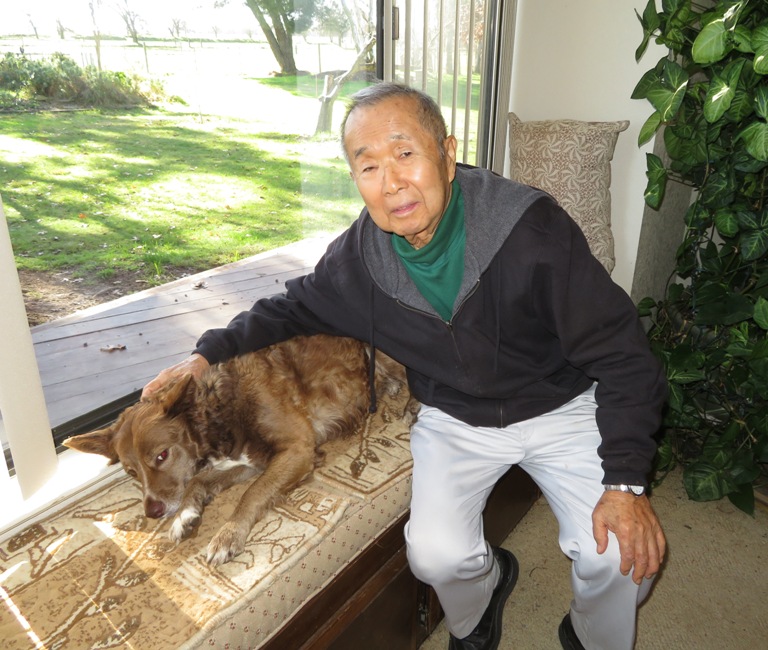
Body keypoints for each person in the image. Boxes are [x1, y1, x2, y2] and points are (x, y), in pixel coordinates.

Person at [143, 82, 667, 650]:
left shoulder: (530, 232)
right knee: (435, 556)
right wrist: (206, 354)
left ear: (447, 152)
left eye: (405, 154)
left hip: (561, 405)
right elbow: (291, 307)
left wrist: (625, 481)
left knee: (619, 557)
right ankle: (483, 601)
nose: (391, 183)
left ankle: (591, 636)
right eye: (368, 167)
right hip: (457, 416)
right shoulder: (358, 260)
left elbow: (624, 355)